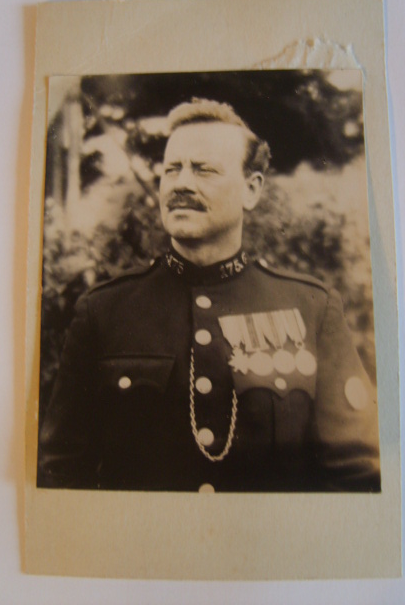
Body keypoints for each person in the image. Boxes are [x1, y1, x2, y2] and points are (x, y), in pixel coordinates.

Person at [38, 98, 381, 493]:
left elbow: (357, 475)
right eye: (172, 169)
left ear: (250, 191)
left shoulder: (311, 309)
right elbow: (62, 474)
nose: (182, 183)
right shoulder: (103, 311)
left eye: (204, 170)